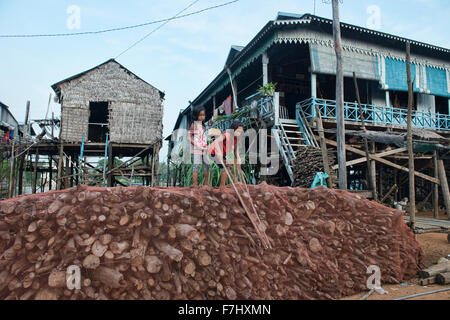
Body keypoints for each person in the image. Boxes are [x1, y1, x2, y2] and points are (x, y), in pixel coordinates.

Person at [209, 121, 244, 187]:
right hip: (214, 152)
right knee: (227, 166)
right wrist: (218, 152)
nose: (240, 133)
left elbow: (235, 151)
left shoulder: (236, 139)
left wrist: (238, 158)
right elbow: (216, 142)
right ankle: (222, 186)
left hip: (222, 155)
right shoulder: (226, 135)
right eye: (238, 131)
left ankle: (235, 182)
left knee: (232, 165)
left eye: (241, 132)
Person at [187, 107, 209, 186]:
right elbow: (188, 137)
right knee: (196, 165)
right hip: (196, 149)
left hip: (204, 148)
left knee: (207, 165)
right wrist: (196, 145)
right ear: (196, 116)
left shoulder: (203, 125)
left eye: (203, 115)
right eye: (200, 115)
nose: (202, 117)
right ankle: (194, 184)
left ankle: (206, 184)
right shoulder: (194, 125)